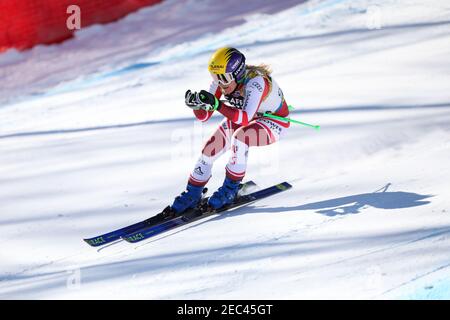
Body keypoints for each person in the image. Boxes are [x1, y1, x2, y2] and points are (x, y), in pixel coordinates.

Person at [171, 47, 290, 213]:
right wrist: (196, 105)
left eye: (224, 77)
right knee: (208, 150)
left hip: (274, 122)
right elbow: (204, 116)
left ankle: (230, 189)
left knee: (240, 138)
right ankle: (193, 193)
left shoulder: (256, 83)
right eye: (215, 77)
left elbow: (244, 119)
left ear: (238, 74)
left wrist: (218, 104)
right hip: (246, 116)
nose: (220, 82)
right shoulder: (223, 82)